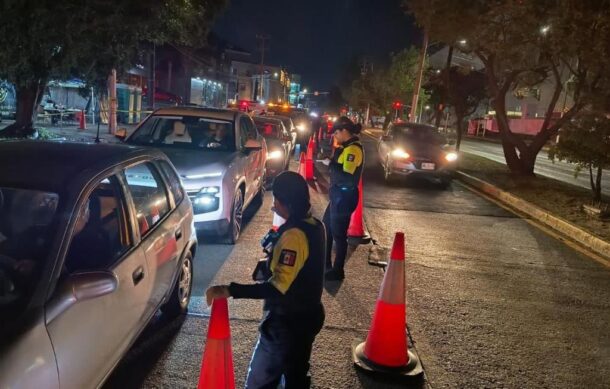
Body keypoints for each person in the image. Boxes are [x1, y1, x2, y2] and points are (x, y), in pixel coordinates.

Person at [206, 171, 326, 388]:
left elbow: (277, 288)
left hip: (288, 324)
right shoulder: (315, 226)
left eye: (276, 200)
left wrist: (231, 290)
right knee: (295, 374)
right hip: (307, 317)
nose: (274, 205)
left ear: (284, 201)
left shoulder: (294, 235)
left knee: (260, 381)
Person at [322, 116, 364, 281]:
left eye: (336, 133)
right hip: (338, 196)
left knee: (339, 235)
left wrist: (330, 164)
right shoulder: (346, 147)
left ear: (344, 131)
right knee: (327, 228)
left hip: (344, 197)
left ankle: (338, 270)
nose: (335, 136)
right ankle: (326, 264)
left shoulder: (353, 150)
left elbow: (347, 176)